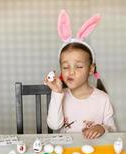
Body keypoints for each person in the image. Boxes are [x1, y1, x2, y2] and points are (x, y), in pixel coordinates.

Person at [45, 10, 117, 139]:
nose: (71, 71)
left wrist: (102, 128)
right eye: (65, 67)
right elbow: (54, 126)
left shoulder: (102, 99)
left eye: (78, 66)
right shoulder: (61, 96)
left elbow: (113, 131)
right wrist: (56, 93)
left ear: (90, 69)